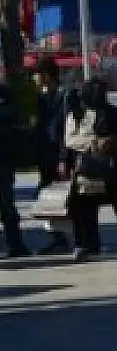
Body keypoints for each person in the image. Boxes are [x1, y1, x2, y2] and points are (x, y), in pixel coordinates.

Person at [61, 77, 117, 261]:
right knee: (85, 208)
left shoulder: (113, 112)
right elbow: (69, 140)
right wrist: (94, 143)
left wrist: (113, 143)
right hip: (88, 168)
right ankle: (88, 245)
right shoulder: (76, 114)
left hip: (114, 169)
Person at [31, 59, 76, 253]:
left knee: (66, 198)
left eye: (37, 74)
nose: (34, 78)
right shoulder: (40, 98)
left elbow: (68, 129)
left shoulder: (65, 96)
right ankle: (58, 237)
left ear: (47, 75)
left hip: (60, 155)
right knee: (46, 198)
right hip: (45, 155)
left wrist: (64, 158)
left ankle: (73, 237)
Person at [0, 76, 30, 257]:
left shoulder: (5, 94)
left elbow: (17, 119)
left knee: (6, 205)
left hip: (3, 159)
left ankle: (16, 244)